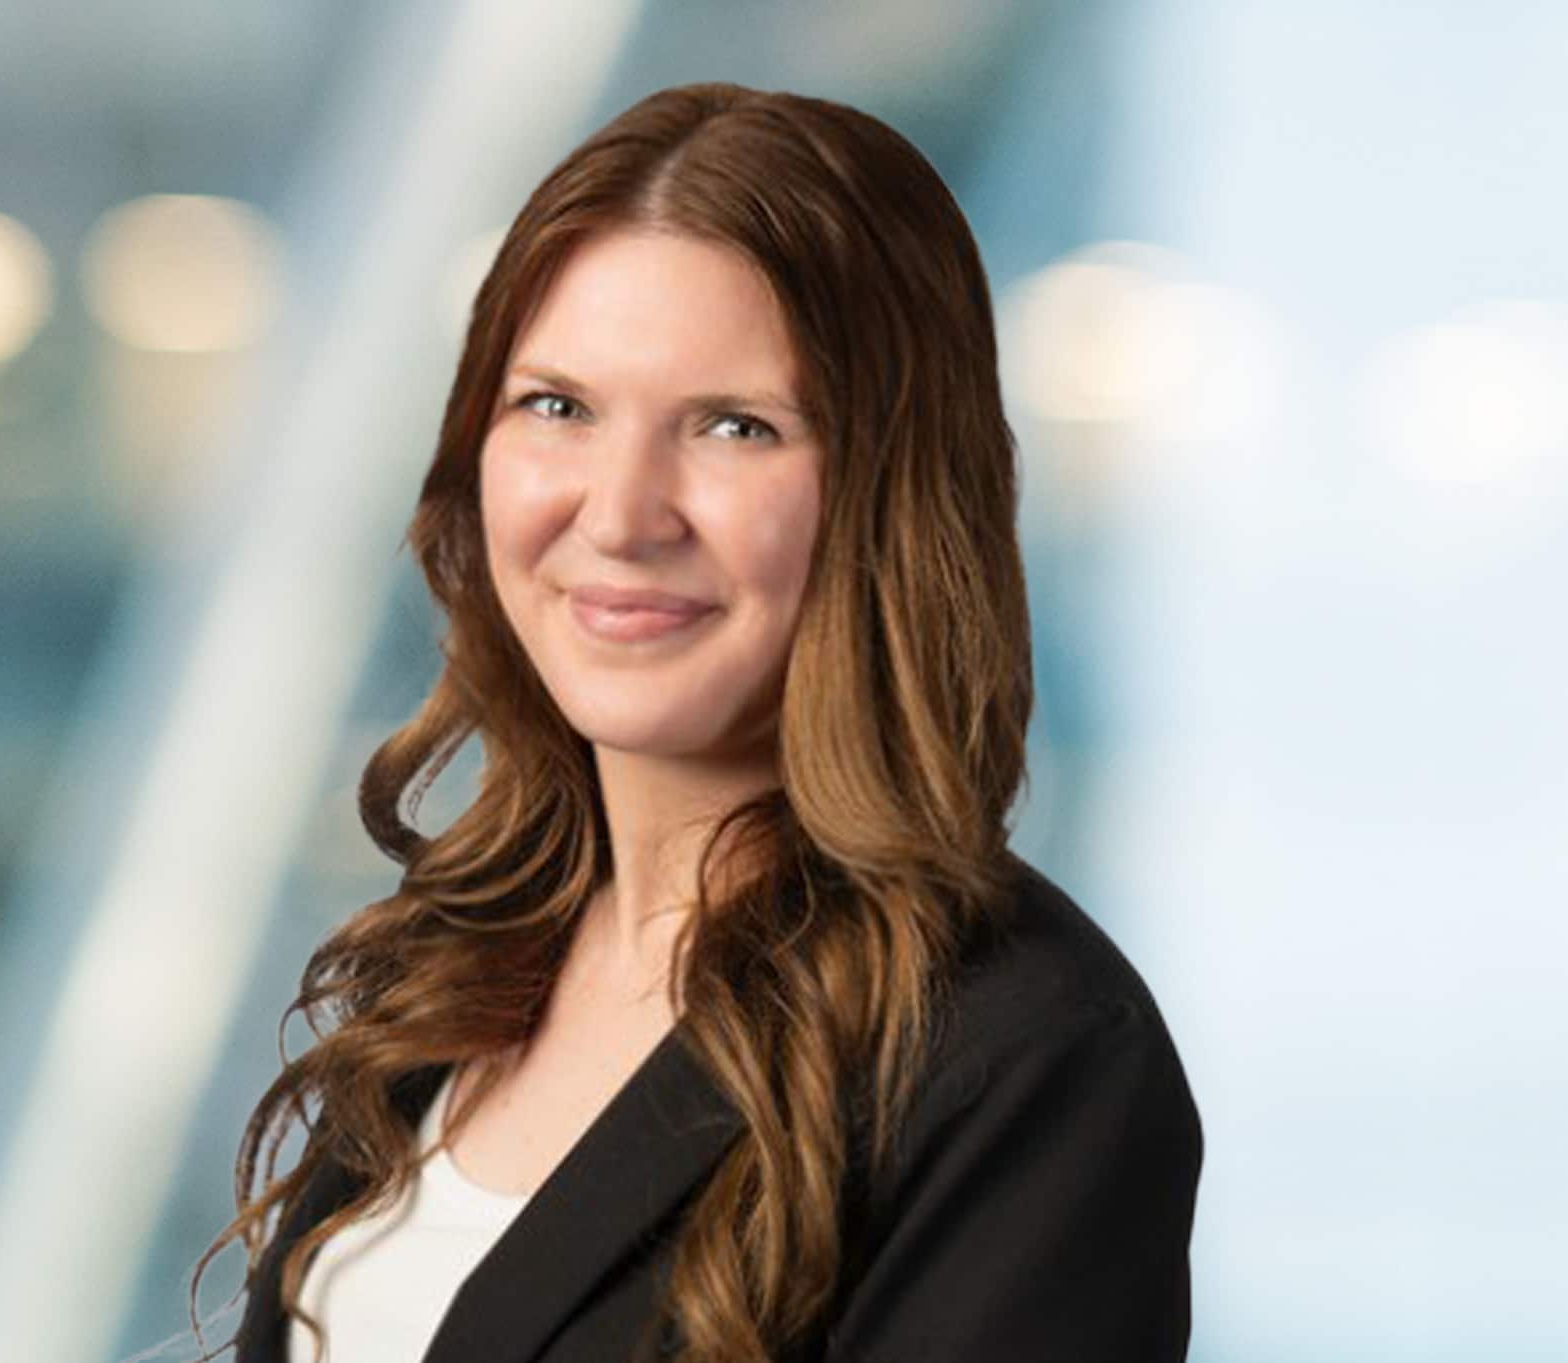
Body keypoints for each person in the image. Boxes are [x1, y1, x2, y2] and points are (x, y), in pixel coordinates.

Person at [197, 81, 1202, 1363]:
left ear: (888, 495)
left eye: (733, 428)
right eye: (556, 406)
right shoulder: (456, 961)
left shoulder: (1024, 1060)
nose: (620, 514)